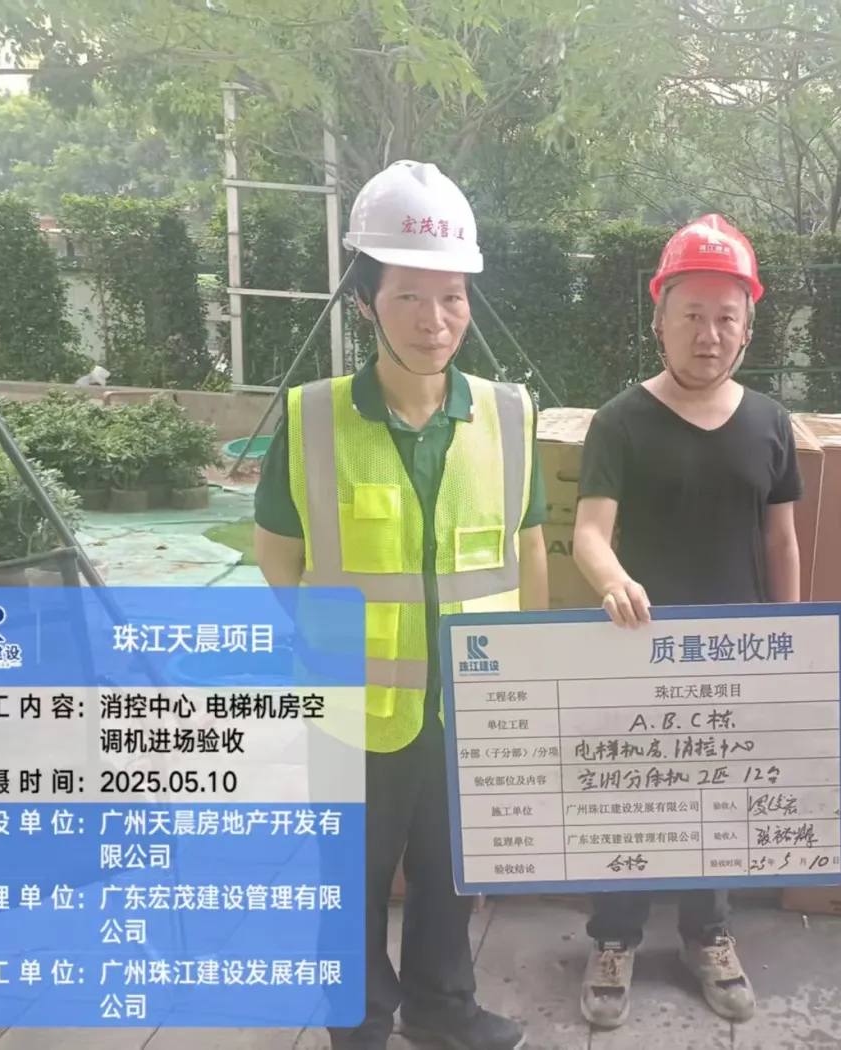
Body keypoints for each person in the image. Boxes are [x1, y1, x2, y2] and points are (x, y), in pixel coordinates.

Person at [252, 159, 547, 1050]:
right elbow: (278, 557)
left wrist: (524, 677)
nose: (434, 320)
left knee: (451, 868)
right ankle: (358, 1023)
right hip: (353, 708)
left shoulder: (508, 416)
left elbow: (529, 548)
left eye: (452, 298)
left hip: (467, 705)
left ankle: (441, 1009)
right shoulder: (313, 419)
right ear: (366, 303)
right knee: (351, 877)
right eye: (410, 297)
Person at [570, 214, 803, 1030]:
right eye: (692, 315)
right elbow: (589, 532)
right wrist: (614, 581)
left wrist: (790, 642)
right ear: (660, 319)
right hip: (637, 649)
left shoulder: (770, 422)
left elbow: (781, 538)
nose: (709, 335)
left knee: (717, 797)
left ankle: (709, 934)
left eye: (726, 317)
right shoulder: (621, 421)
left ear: (748, 327)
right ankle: (615, 938)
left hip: (733, 654)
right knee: (631, 798)